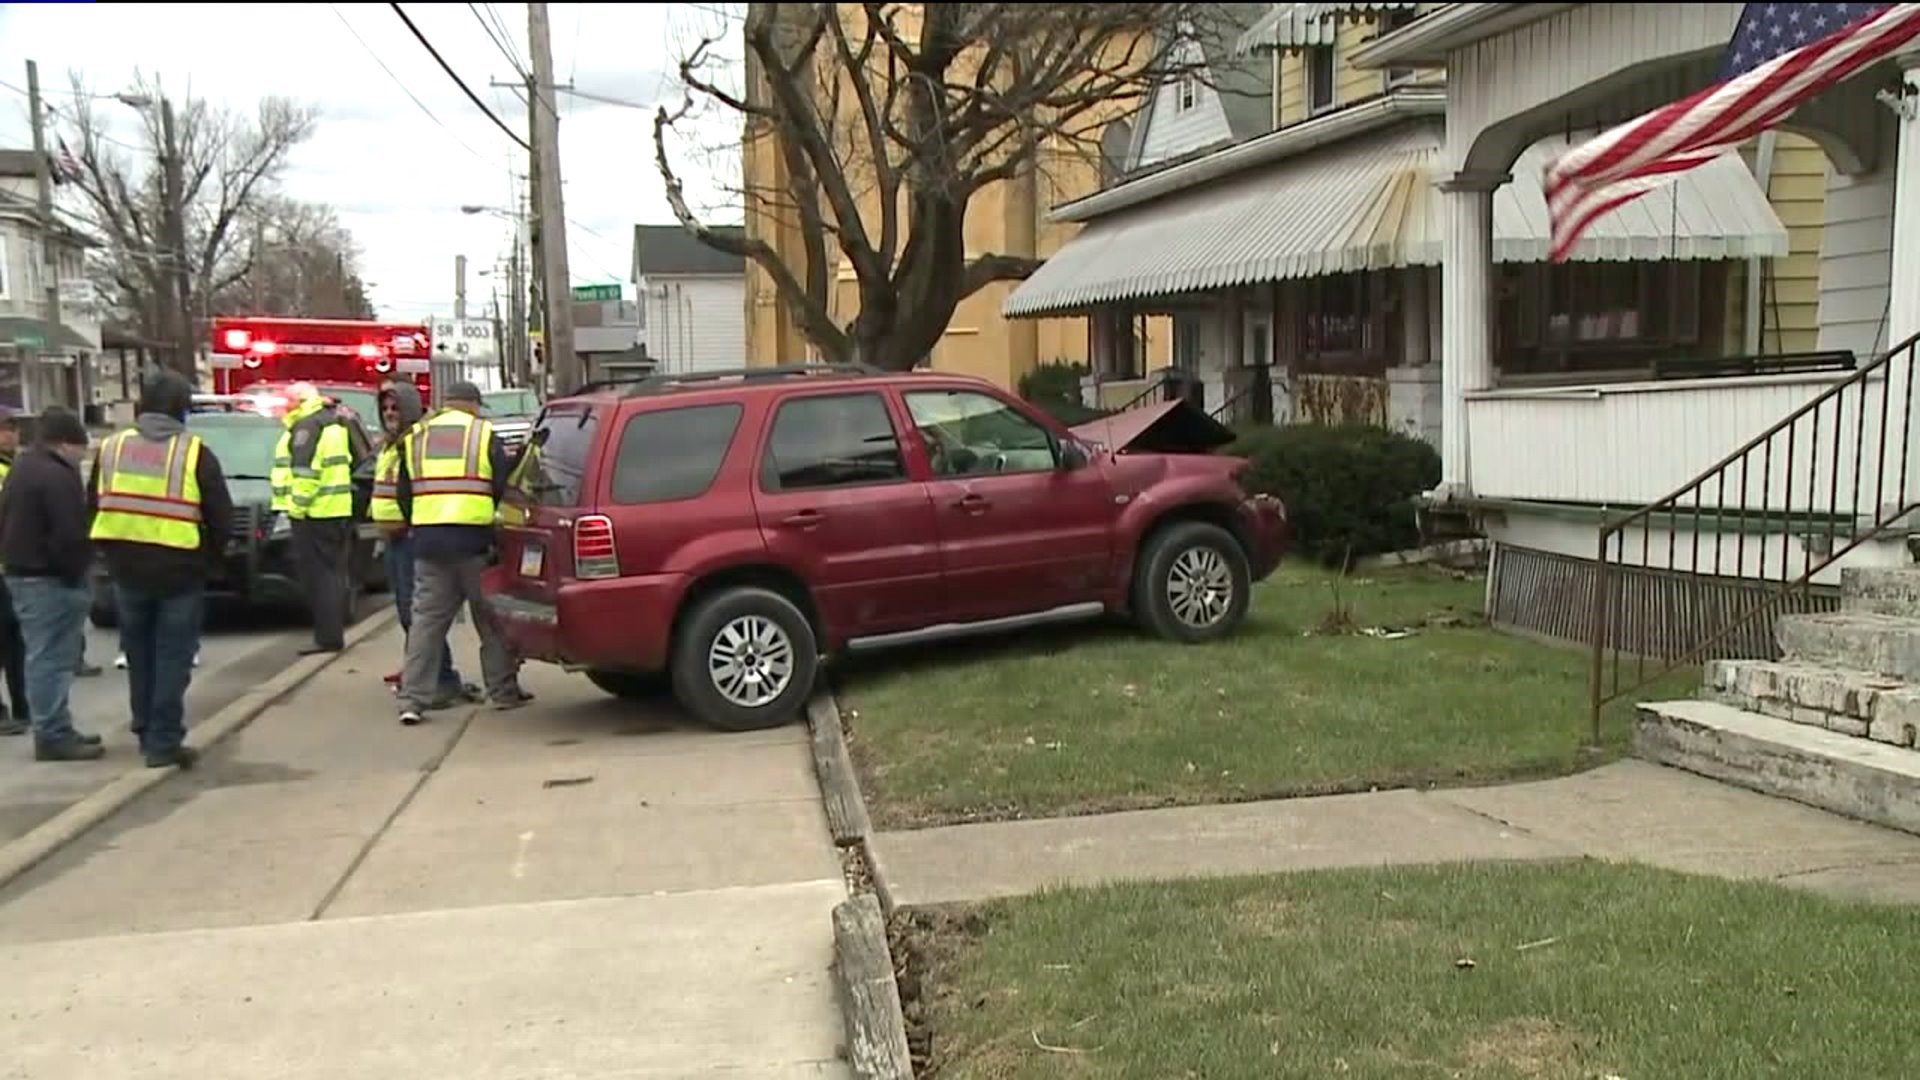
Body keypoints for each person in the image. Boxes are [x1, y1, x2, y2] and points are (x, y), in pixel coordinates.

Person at [90, 372, 234, 770]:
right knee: (173, 656)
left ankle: (144, 726)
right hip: (179, 571)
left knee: (139, 653)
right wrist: (211, 559)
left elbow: (93, 504)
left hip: (125, 569)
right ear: (182, 410)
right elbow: (221, 517)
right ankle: (164, 742)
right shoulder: (194, 453)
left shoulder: (111, 448)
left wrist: (108, 553)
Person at [393, 381, 529, 726]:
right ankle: (503, 692)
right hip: (475, 544)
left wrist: (422, 524)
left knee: (425, 623)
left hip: (428, 543)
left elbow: (404, 494)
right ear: (472, 404)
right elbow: (502, 486)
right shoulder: (483, 435)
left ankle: (412, 701)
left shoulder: (416, 437)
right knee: (492, 621)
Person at [0, 408, 101, 761]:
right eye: (80, 447)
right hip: (49, 578)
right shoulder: (57, 477)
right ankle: (52, 734)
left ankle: (56, 725)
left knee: (43, 655)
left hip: (22, 572)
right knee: (51, 659)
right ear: (64, 444)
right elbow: (69, 532)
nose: (81, 455)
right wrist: (77, 572)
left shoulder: (23, 468)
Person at [371, 381, 475, 706]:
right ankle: (427, 675)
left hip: (413, 538)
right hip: (392, 538)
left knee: (419, 616)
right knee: (410, 614)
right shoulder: (389, 444)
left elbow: (412, 490)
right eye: (385, 408)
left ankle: (441, 679)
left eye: (395, 408)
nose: (390, 413)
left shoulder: (417, 443)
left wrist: (412, 524)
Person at [270, 382, 367, 655]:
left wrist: (295, 509)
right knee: (332, 574)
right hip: (334, 509)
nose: (283, 409)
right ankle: (331, 633)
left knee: (318, 578)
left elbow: (305, 475)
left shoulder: (306, 427)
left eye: (287, 403)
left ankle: (326, 637)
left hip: (314, 513)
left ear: (300, 402)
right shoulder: (331, 423)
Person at [0, 412, 28, 737]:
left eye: (12, 430)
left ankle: (23, 706)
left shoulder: (14, 467)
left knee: (15, 642)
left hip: (11, 567)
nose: (11, 436)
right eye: (4, 431)